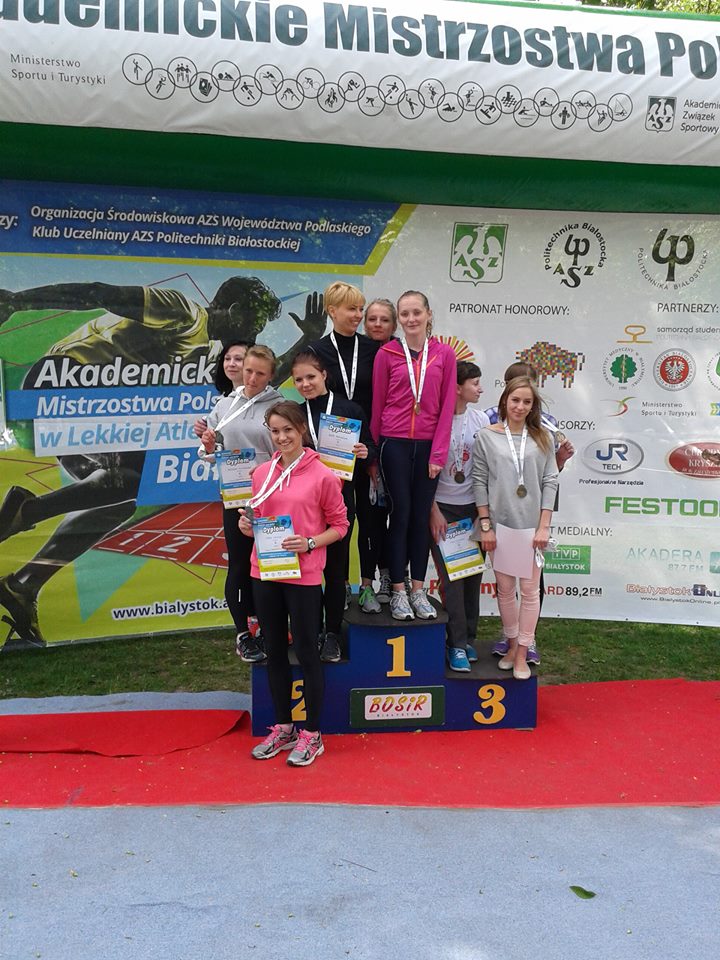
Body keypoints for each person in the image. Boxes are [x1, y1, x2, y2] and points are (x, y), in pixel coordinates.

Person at [0, 276, 326, 648]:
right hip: (60, 389)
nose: (254, 336)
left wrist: (307, 338)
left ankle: (22, 585)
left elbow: (259, 381)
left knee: (121, 501)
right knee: (131, 480)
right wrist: (19, 301)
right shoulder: (182, 312)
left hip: (98, 409)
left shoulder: (207, 350)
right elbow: (99, 292)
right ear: (236, 312)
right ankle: (27, 511)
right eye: (254, 325)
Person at [239, 401, 349, 767]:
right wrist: (246, 525)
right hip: (264, 572)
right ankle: (284, 727)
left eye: (288, 429)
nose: (282, 437)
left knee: (305, 650)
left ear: (301, 429)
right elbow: (257, 518)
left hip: (303, 575)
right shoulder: (261, 473)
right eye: (275, 431)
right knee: (273, 650)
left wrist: (311, 542)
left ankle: (312, 733)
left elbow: (340, 525)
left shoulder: (323, 476)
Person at [371, 290, 456, 620]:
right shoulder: (387, 354)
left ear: (428, 314)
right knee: (401, 515)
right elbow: (378, 405)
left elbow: (447, 408)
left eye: (416, 312)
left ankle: (419, 591)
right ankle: (398, 591)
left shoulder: (444, 354)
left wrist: (438, 453)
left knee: (421, 518)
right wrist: (375, 455)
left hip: (427, 447)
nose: (410, 319)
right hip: (393, 444)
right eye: (404, 314)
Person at [485, 360, 575, 665]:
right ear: (506, 388)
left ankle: (527, 639)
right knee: (505, 582)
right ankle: (510, 636)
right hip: (501, 511)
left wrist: (562, 459)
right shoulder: (488, 420)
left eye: (531, 388)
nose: (522, 403)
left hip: (533, 511)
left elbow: (549, 472)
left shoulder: (547, 424)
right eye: (517, 389)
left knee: (531, 582)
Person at [198, 343, 283, 663]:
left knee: (270, 566)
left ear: (271, 375)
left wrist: (266, 473)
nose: (252, 378)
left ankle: (267, 627)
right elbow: (208, 453)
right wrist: (208, 445)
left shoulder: (281, 405)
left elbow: (288, 449)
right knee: (239, 564)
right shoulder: (224, 405)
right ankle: (243, 634)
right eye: (248, 371)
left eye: (260, 373)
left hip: (271, 496)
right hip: (235, 498)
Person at [472, 376, 559, 680]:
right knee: (506, 591)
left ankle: (523, 652)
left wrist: (544, 526)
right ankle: (510, 647)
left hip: (531, 528)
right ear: (505, 401)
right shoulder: (486, 436)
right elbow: (479, 480)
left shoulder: (543, 438)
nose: (520, 407)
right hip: (500, 526)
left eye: (527, 402)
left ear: (533, 406)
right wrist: (485, 526)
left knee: (530, 592)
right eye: (515, 400)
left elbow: (550, 481)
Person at [291, 350, 374, 662]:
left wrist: (365, 452)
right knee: (310, 572)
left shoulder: (349, 409)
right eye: (299, 379)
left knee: (336, 572)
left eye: (310, 377)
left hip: (339, 501)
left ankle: (333, 634)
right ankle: (313, 630)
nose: (305, 384)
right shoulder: (295, 414)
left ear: (324, 375)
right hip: (306, 505)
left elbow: (371, 446)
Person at [310, 281, 382, 611]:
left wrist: (371, 448)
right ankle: (333, 590)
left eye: (360, 309)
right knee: (335, 524)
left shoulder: (374, 349)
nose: (358, 315)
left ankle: (367, 586)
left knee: (370, 519)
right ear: (332, 310)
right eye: (351, 308)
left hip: (365, 448)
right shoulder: (316, 351)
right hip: (331, 454)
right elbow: (310, 399)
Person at [429, 361, 490, 672]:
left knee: (472, 576)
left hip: (474, 508)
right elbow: (422, 473)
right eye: (474, 383)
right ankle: (454, 644)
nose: (480, 389)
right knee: (452, 580)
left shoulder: (481, 420)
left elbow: (488, 468)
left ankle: (467, 639)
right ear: (456, 387)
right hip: (443, 509)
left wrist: (484, 513)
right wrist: (433, 510)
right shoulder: (433, 421)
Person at [361, 298, 397, 605]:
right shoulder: (357, 352)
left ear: (394, 325)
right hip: (361, 445)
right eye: (372, 318)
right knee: (370, 519)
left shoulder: (403, 352)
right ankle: (367, 583)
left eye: (384, 319)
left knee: (396, 519)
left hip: (396, 444)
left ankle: (392, 577)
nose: (377, 324)